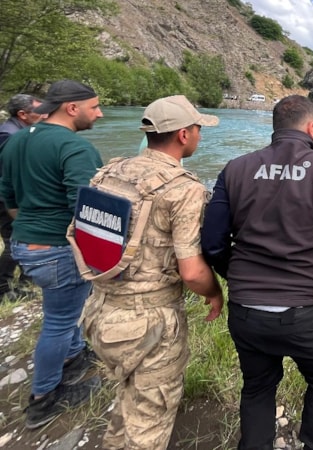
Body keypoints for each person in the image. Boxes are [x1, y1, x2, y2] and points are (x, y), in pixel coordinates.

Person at [201, 94, 313, 450]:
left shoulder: (235, 168)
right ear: (312, 127)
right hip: (310, 311)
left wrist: (239, 277)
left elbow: (212, 242)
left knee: (258, 386)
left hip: (248, 312)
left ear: (275, 128)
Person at [76, 95, 224, 449]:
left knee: (127, 400)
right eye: (198, 129)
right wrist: (214, 292)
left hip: (100, 311)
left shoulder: (109, 172)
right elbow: (191, 271)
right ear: (184, 135)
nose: (200, 136)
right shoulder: (184, 189)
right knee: (150, 422)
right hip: (149, 325)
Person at [0, 80, 104, 429]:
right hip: (58, 249)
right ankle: (44, 398)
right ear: (71, 108)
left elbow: (9, 198)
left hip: (24, 243)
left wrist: (31, 233)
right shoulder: (75, 149)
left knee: (62, 310)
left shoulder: (16, 139)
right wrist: (103, 261)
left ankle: (74, 357)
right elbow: (88, 210)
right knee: (59, 321)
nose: (100, 113)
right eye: (94, 107)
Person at [0, 94, 45, 300]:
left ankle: (21, 283)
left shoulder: (14, 130)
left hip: (13, 195)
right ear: (23, 114)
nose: (43, 114)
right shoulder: (8, 135)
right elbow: (9, 170)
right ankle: (3, 289)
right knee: (13, 240)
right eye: (38, 110)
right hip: (8, 199)